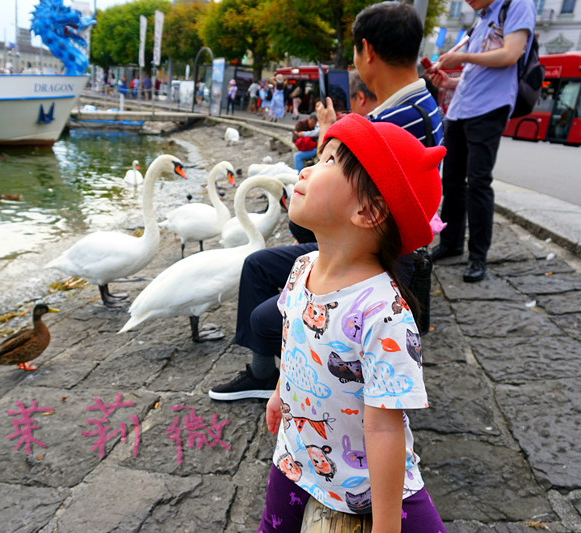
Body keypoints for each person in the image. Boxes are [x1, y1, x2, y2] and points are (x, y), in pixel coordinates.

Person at [209, 1, 442, 402]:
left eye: (331, 160)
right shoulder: (413, 108)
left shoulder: (398, 123)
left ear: (366, 50)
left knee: (266, 316)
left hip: (373, 252)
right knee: (258, 265)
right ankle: (266, 373)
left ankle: (291, 369)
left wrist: (328, 137)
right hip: (360, 237)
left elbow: (360, 195)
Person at [257, 112, 446, 533]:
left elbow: (384, 427)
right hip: (297, 457)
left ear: (369, 210)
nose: (307, 167)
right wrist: (278, 395)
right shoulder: (303, 267)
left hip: (369, 481)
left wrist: (384, 526)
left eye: (329, 161)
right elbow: (293, 344)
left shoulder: (384, 314)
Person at [426, 0, 536, 282]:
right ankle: (450, 243)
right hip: (462, 107)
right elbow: (479, 73)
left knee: (478, 181)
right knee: (450, 179)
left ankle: (478, 255)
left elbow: (510, 54)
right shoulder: (481, 19)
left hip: (490, 108)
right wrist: (450, 81)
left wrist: (461, 59)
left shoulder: (516, 5)